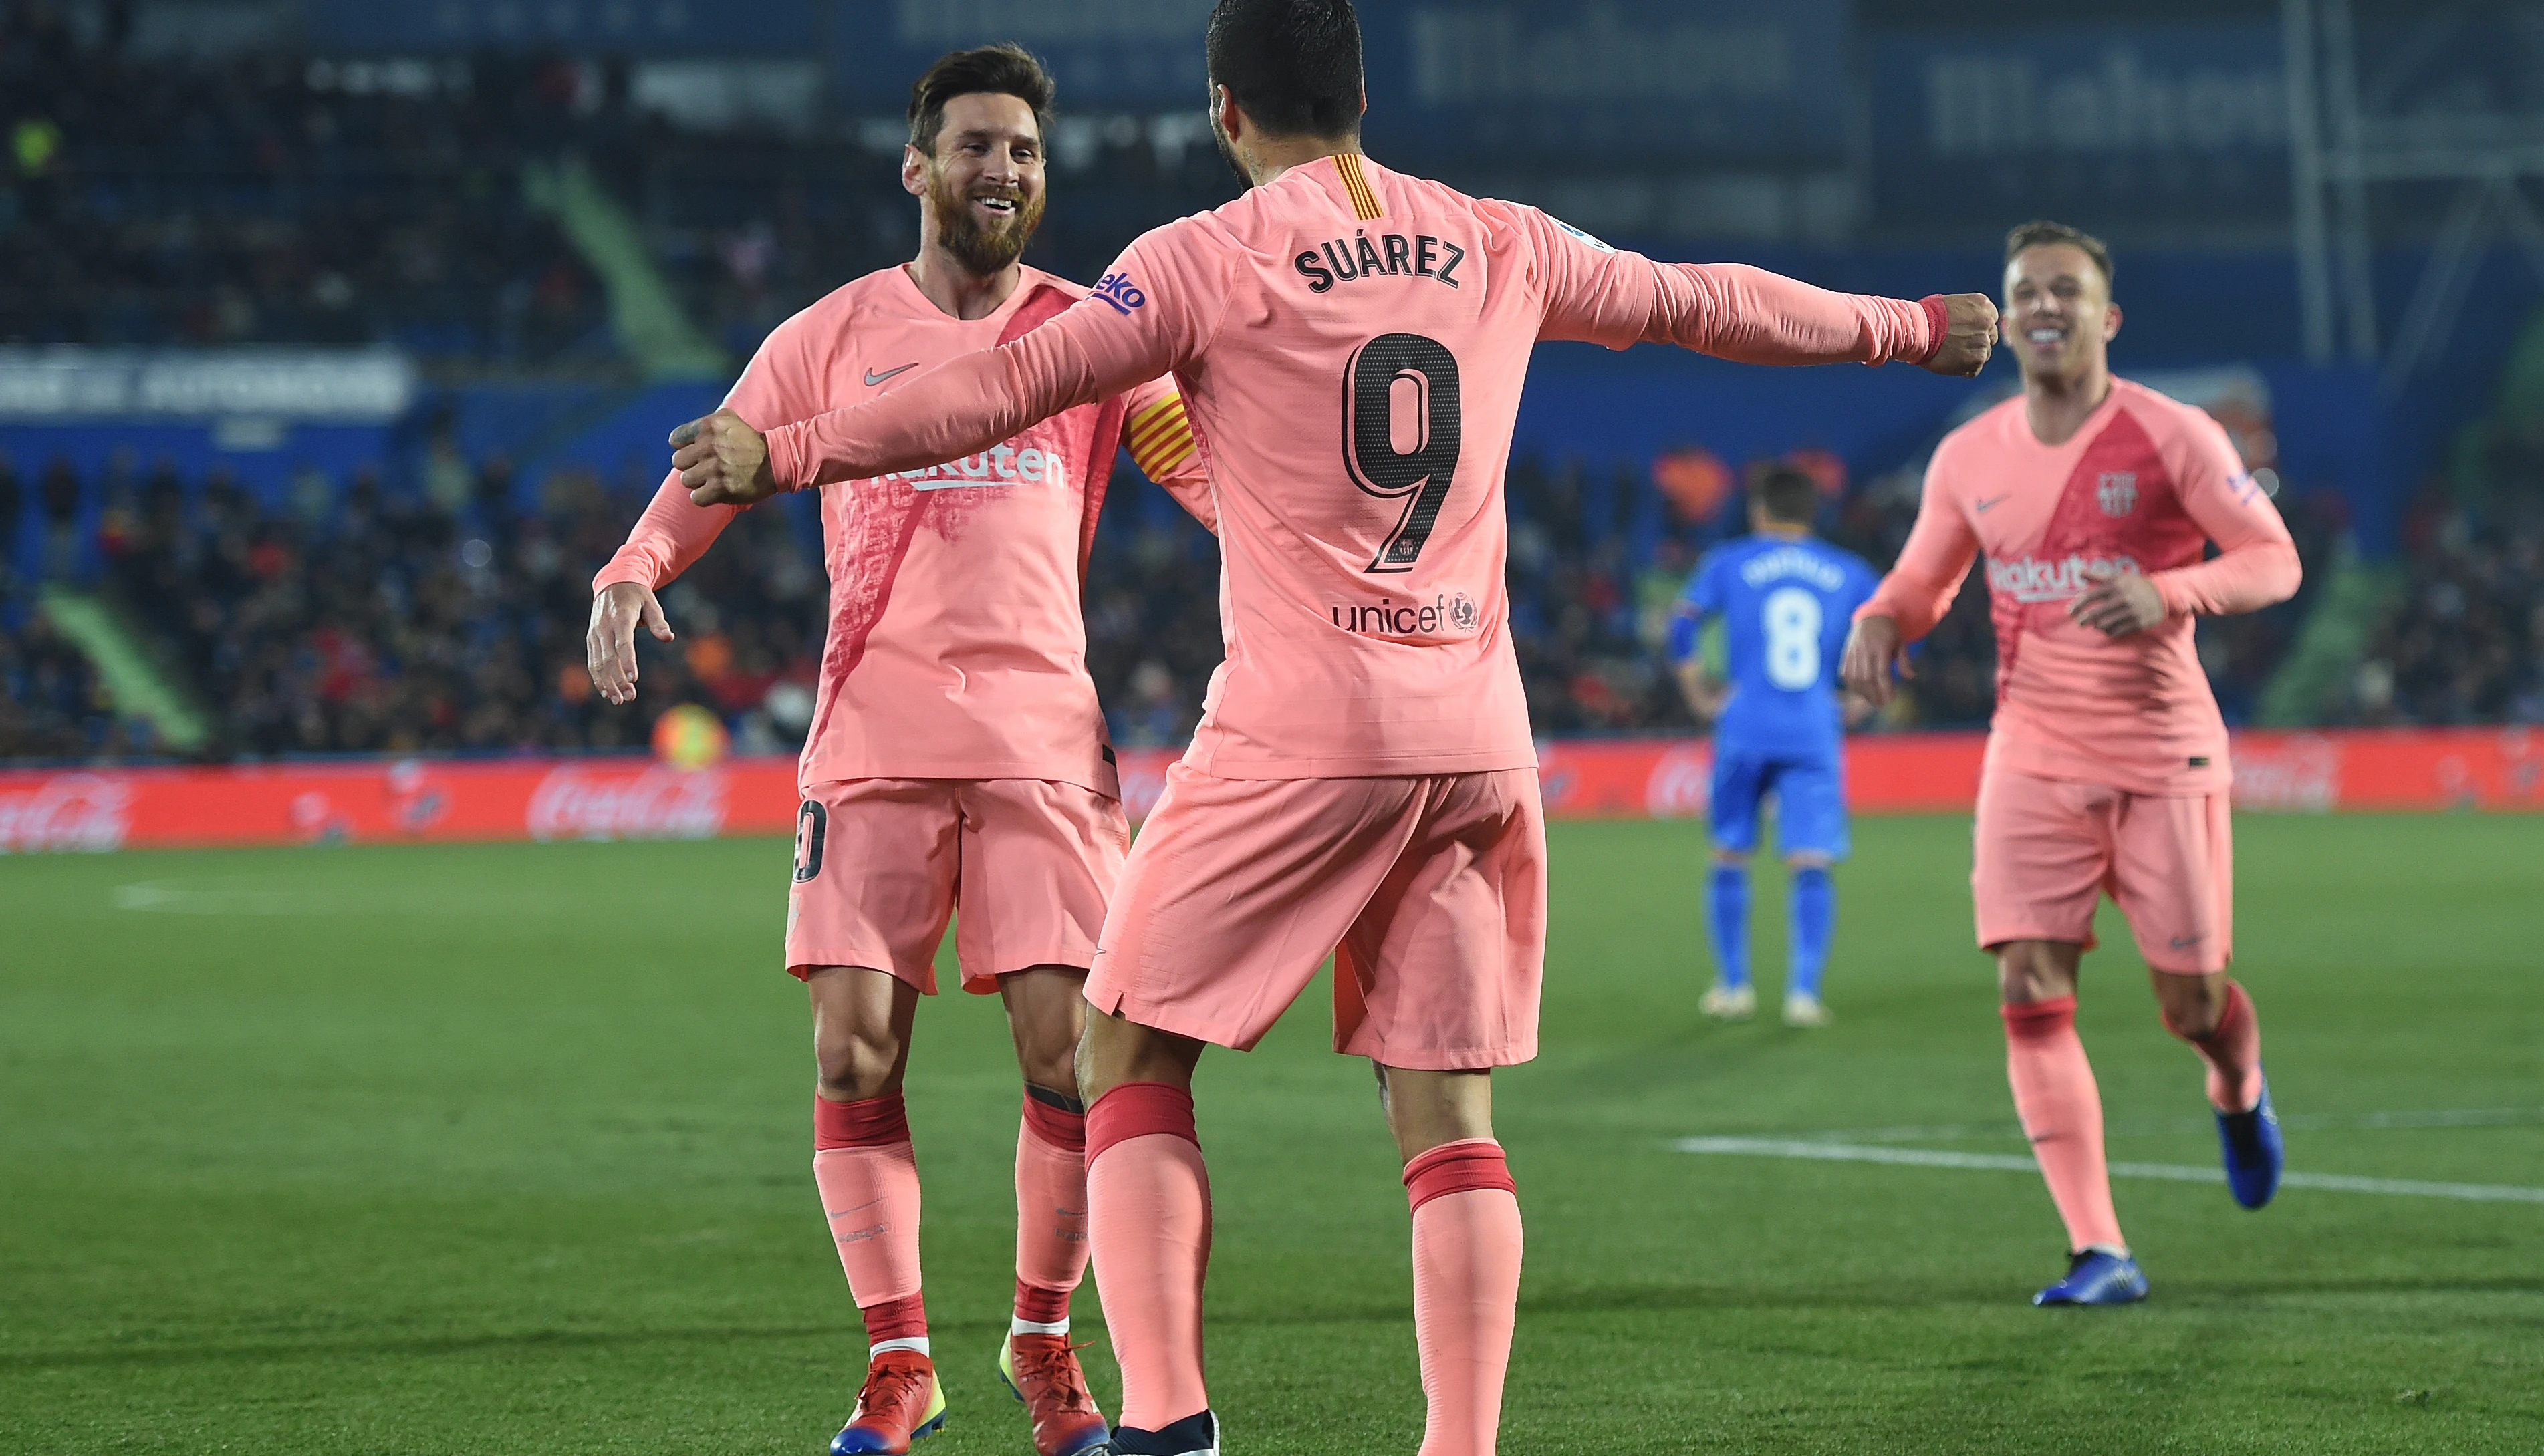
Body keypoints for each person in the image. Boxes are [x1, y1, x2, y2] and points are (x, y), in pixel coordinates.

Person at [664, 3, 1995, 1450]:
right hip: (1478, 741)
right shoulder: (1501, 238)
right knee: (1449, 1119)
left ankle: (1166, 1418)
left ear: (1226, 112)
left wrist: (788, 449)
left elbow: (999, 386)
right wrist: (1909, 329)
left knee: (1124, 1047)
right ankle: (1459, 1443)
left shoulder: (1200, 257)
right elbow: (1703, 299)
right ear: (1360, 98)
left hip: (1301, 733)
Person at [584, 45, 1212, 1456]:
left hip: (1045, 745)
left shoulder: (1094, 333)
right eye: (978, 146)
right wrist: (634, 563)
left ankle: (1043, 1344)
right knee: (855, 1051)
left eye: (1028, 154)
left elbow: (1204, 471)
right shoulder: (831, 330)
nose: (1005, 171)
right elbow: (721, 460)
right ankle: (899, 1361)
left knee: (1069, 1063)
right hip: (871, 734)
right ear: (917, 166)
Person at [1841, 220, 2301, 1308]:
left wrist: (2170, 590)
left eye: (2065, 289)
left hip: (2160, 752)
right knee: (2026, 985)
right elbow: (1922, 579)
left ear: (2106, 317)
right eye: (2024, 291)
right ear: (2006, 318)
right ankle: (2099, 1246)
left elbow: (2271, 559)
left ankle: (2235, 1085)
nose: (2043, 305)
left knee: (2190, 1001)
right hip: (2031, 755)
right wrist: (1878, 615)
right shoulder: (1968, 453)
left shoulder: (2169, 431)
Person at [1667, 462, 1878, 1028]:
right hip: (1813, 727)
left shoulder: (1729, 562)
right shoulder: (1848, 571)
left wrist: (1697, 691)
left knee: (1729, 852)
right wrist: (1861, 697)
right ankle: (1803, 993)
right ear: (1813, 512)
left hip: (1744, 724)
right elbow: (1890, 632)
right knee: (1810, 860)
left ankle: (1733, 986)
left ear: (1759, 509)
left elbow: (1682, 626)